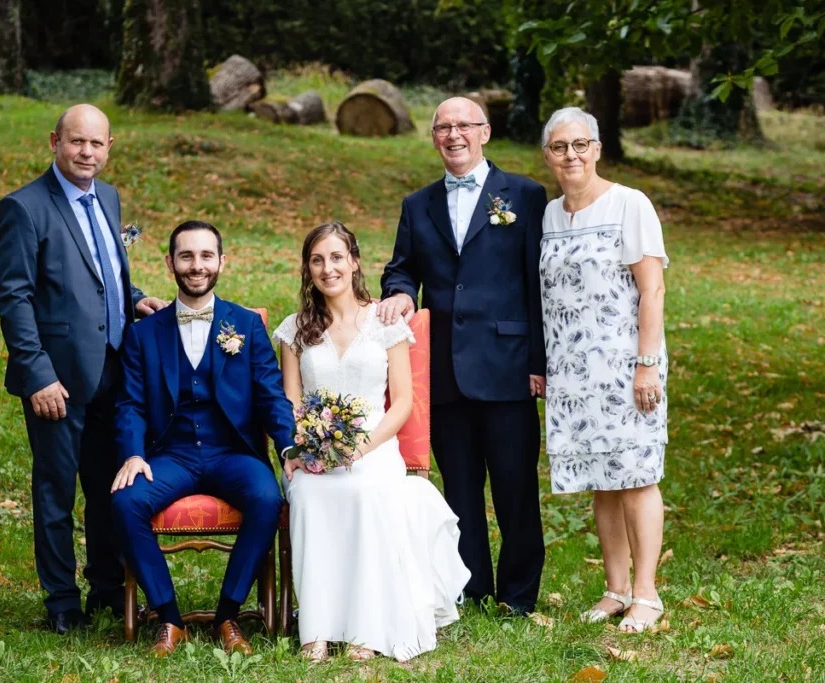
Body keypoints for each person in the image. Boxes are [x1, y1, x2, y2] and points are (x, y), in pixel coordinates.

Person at [0, 104, 167, 633]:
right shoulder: (23, 208)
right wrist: (37, 373)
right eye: (76, 142)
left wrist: (134, 300)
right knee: (56, 490)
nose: (87, 153)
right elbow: (14, 297)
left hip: (114, 366)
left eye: (97, 144)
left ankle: (108, 588)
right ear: (55, 142)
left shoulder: (107, 197)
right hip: (58, 378)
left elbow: (103, 271)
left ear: (110, 146)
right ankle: (62, 600)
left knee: (106, 484)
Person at [378, 97, 548, 614]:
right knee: (460, 491)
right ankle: (471, 589)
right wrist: (403, 292)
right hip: (444, 367)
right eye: (443, 128)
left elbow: (541, 285)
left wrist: (539, 362)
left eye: (464, 126)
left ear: (485, 132)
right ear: (433, 138)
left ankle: (518, 595)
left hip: (508, 365)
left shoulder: (525, 195)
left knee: (516, 488)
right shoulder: (418, 204)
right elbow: (401, 267)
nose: (454, 135)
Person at [272, 221, 469, 662]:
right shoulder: (295, 329)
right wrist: (301, 451)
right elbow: (291, 401)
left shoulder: (385, 322)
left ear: (355, 262)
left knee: (365, 490)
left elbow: (401, 403)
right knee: (306, 494)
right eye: (318, 260)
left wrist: (362, 447)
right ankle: (316, 628)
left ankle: (367, 628)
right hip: (318, 452)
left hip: (376, 447)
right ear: (307, 268)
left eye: (337, 257)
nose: (328, 269)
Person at [110, 221, 295, 656]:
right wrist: (134, 455)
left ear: (222, 262)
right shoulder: (142, 334)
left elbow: (271, 395)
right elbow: (131, 404)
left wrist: (288, 447)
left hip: (231, 452)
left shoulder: (246, 326)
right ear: (170, 262)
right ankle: (169, 620)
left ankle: (227, 616)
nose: (197, 266)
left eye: (206, 256)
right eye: (187, 256)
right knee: (125, 502)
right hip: (169, 455)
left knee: (267, 498)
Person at [539, 107, 669, 633]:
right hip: (572, 374)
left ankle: (647, 594)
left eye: (580, 144)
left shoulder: (629, 204)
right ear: (547, 155)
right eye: (559, 146)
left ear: (597, 149)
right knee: (602, 479)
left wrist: (645, 365)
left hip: (624, 367)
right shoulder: (550, 216)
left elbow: (652, 290)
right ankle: (615, 589)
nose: (570, 155)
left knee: (636, 477)